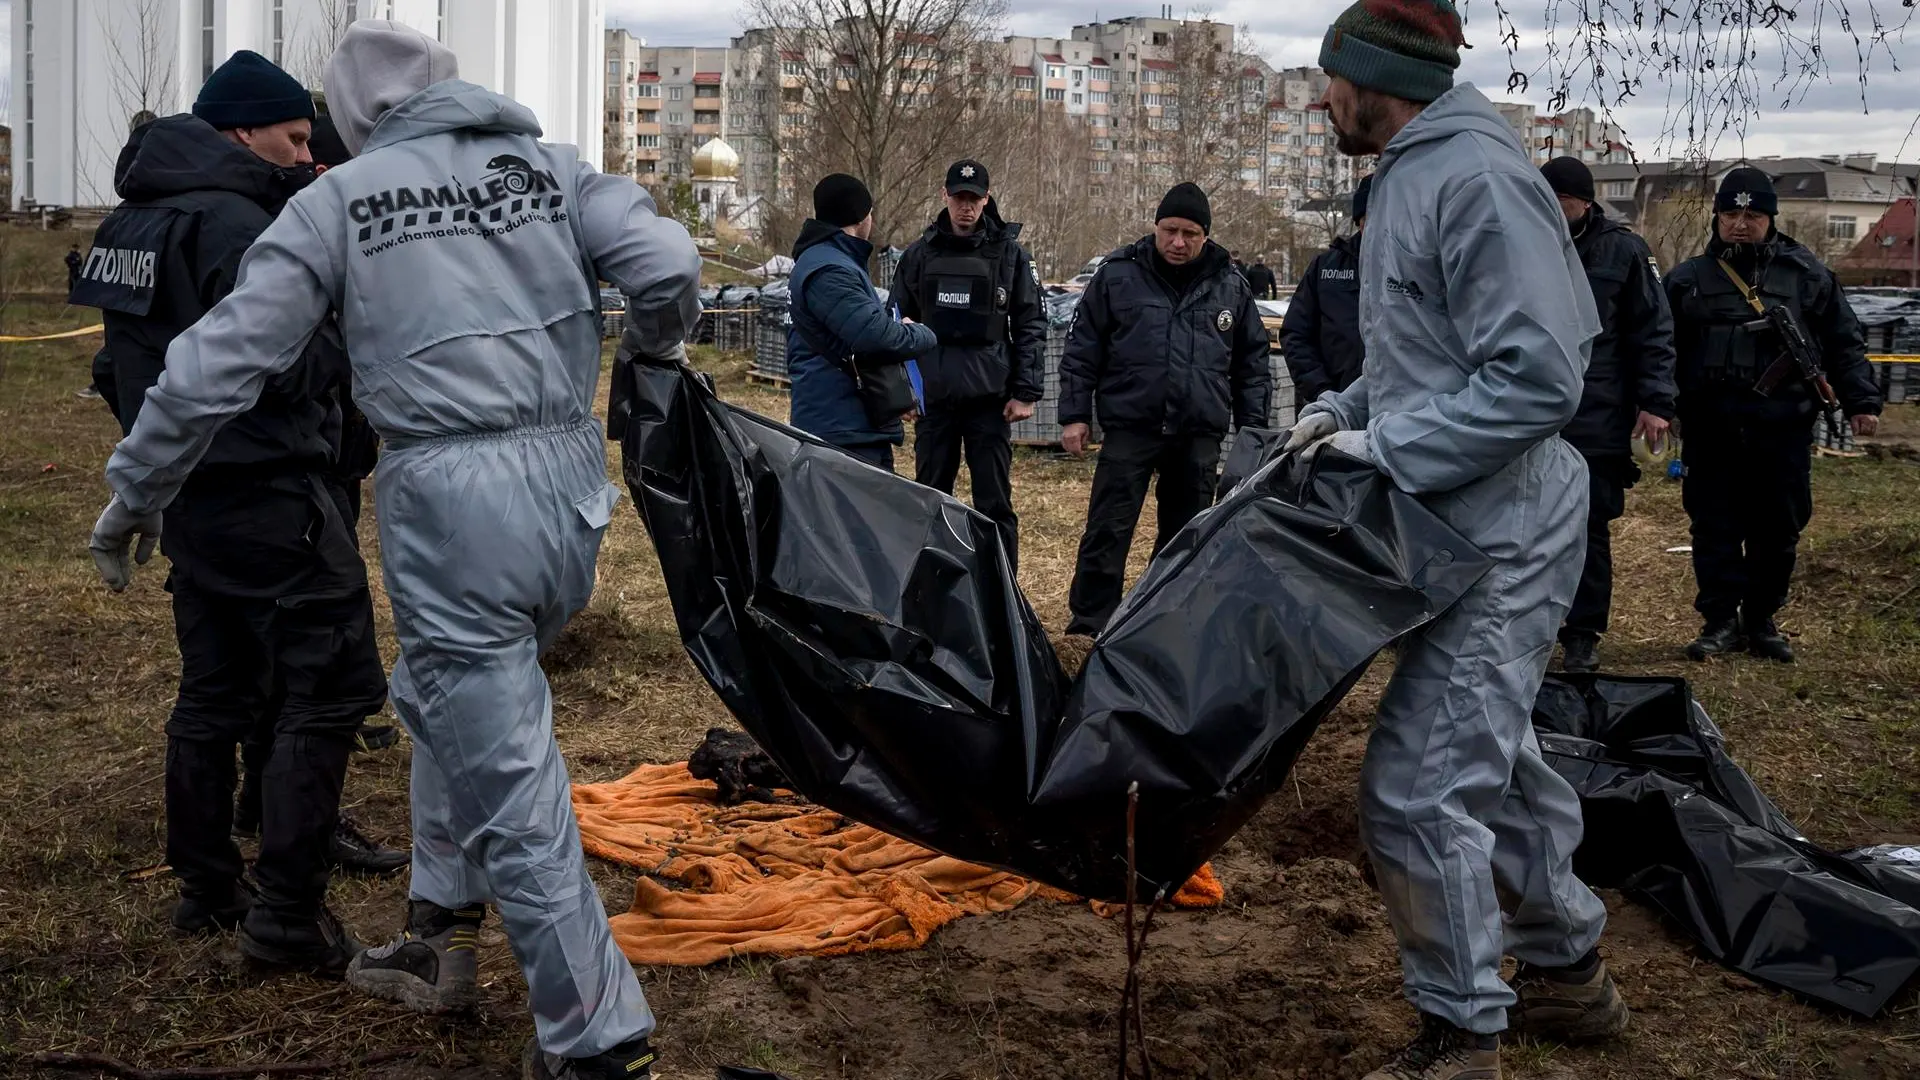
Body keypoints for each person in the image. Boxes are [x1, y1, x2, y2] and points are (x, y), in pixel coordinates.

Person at [86, 21, 701, 1079]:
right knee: (447, 693)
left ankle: (597, 1035)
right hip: (565, 494)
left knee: (513, 775)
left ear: (354, 114)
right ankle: (437, 927)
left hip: (454, 499)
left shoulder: (337, 201)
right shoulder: (549, 168)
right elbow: (669, 260)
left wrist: (138, 487)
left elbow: (216, 362)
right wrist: (655, 346)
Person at [1293, 3, 1630, 1076]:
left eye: (1328, 79)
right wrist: (1344, 412)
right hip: (1452, 524)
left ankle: (1462, 1035)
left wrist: (1382, 452)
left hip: (1508, 531)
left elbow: (1538, 378)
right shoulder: (1414, 171)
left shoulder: (1474, 179)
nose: (1320, 98)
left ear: (1373, 81)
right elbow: (1430, 361)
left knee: (1419, 787)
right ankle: (1570, 976)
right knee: (1493, 759)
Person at [74, 49, 389, 975]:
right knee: (329, 687)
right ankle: (288, 909)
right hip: (268, 487)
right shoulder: (238, 225)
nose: (303, 156)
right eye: (294, 137)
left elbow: (113, 367)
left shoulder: (132, 219)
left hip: (191, 495)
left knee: (216, 691)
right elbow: (283, 361)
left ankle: (207, 886)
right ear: (242, 130)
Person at [228, 101, 408, 878]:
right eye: (305, 150)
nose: (313, 165)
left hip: (320, 459)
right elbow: (284, 356)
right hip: (298, 464)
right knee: (319, 662)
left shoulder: (309, 218)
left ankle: (260, 803)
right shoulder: (290, 229)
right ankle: (294, 839)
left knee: (276, 652)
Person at [1666, 166, 1882, 664]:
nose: (1740, 224)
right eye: (1730, 213)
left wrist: (1862, 401)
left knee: (1777, 529)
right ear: (1717, 216)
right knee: (1714, 527)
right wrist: (1660, 405)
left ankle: (1761, 620)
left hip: (1782, 428)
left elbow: (1844, 341)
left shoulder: (1807, 276)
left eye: (1752, 214)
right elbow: (1660, 350)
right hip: (1712, 427)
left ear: (1771, 218)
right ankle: (1719, 621)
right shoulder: (1687, 280)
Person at [1058, 182, 1271, 636]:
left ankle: (1166, 621)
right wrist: (1074, 414)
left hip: (1197, 433)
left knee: (1186, 535)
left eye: (1190, 233)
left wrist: (1254, 433)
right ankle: (1090, 622)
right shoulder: (1118, 275)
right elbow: (1083, 348)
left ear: (1206, 236)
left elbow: (1252, 364)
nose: (1178, 242)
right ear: (1155, 227)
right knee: (1108, 528)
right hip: (1131, 426)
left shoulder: (1231, 286)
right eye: (1170, 230)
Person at [1537, 156, 1679, 674]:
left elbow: (1653, 331)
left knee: (1586, 526)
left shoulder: (1623, 251)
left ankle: (1582, 635)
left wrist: (1656, 402)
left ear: (1585, 203)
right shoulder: (1520, 245)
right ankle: (1531, 624)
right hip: (1528, 413)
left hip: (1596, 414)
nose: (1553, 211)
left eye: (1563, 202)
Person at [890, 159, 1045, 570]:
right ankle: (925, 591)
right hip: (935, 400)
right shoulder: (919, 255)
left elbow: (1031, 321)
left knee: (994, 502)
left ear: (986, 200)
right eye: (959, 197)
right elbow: (891, 325)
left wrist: (1025, 390)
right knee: (929, 497)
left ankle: (1003, 591)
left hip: (988, 401)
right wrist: (899, 393)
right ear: (945, 196)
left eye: (974, 199)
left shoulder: (1010, 256)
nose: (966, 207)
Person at [787, 173, 937, 472]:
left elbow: (850, 345)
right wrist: (919, 333)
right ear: (860, 216)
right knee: (855, 518)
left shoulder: (830, 261)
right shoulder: (830, 269)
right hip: (841, 432)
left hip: (848, 425)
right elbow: (875, 337)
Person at [1280, 174, 1371, 404]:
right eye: (1370, 218)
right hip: (1331, 405)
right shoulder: (1325, 268)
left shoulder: (1415, 267)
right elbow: (1296, 334)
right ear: (1359, 221)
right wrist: (1322, 393)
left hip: (1398, 413)